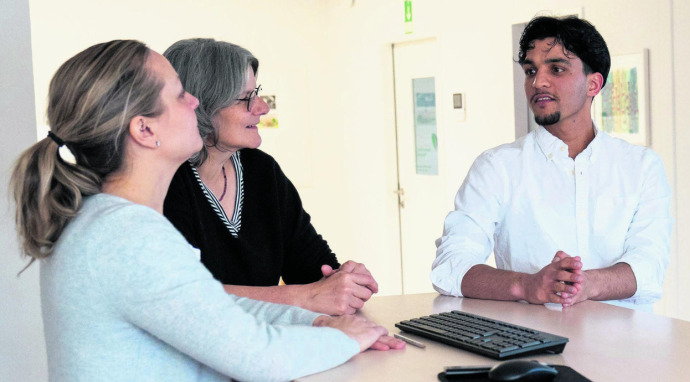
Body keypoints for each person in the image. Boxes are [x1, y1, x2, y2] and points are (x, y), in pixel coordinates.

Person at [11, 40, 402, 381]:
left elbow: (216, 307)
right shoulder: (129, 238)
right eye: (180, 94)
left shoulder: (106, 221)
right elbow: (258, 357)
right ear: (144, 130)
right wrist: (343, 337)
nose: (196, 101)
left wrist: (314, 321)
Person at [431, 16, 672, 311]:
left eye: (556, 69)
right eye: (530, 70)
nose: (538, 82)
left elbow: (649, 266)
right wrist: (528, 285)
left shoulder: (641, 167)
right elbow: (450, 266)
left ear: (593, 84)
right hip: (529, 346)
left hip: (626, 346)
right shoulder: (497, 167)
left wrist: (586, 284)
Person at [162, 38, 377, 316]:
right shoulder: (165, 181)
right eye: (246, 98)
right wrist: (305, 296)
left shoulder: (261, 171)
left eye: (258, 93)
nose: (262, 107)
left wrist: (341, 280)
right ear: (200, 104)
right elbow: (183, 295)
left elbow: (311, 268)